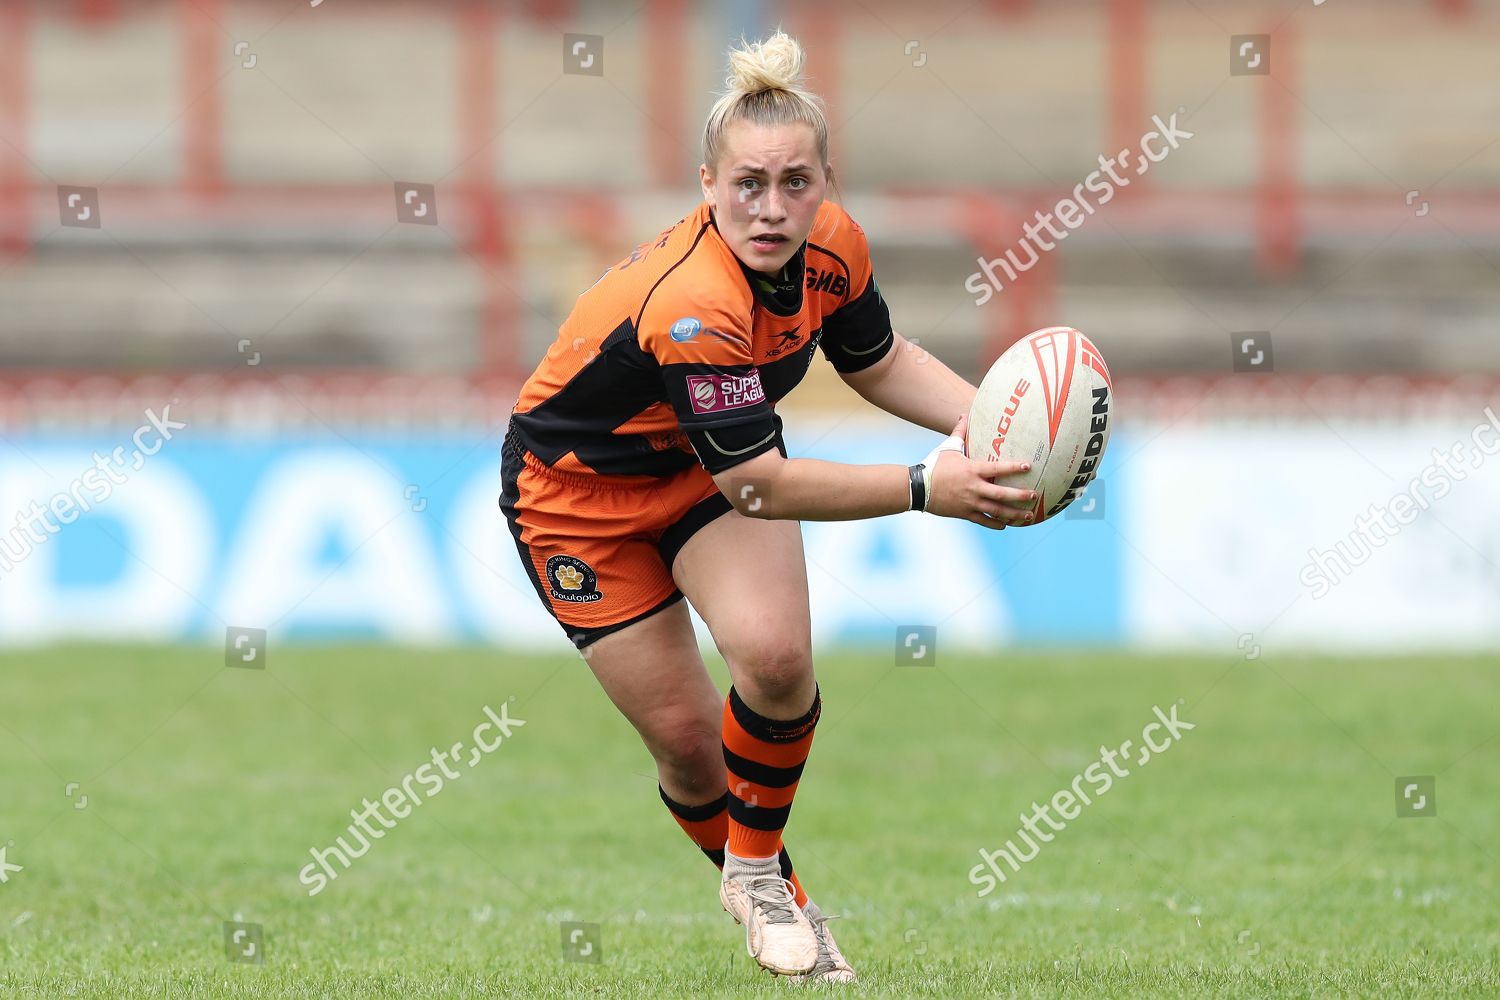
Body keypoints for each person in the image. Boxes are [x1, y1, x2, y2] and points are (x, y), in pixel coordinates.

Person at [499, 29, 1036, 982]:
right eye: (748, 183)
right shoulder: (693, 302)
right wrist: (927, 487)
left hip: (703, 471)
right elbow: (760, 484)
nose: (773, 207)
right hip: (577, 500)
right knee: (689, 748)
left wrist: (997, 430)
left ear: (826, 182)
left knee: (778, 662)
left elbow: (877, 360)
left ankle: (755, 880)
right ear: (708, 185)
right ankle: (782, 891)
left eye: (796, 182)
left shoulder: (836, 245)